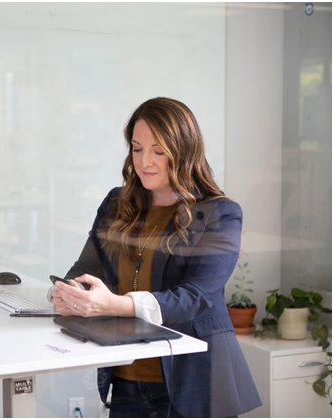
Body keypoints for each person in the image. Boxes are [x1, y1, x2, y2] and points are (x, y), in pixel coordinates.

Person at [49, 97, 261, 418]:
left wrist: (112, 304)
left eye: (158, 151)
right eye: (137, 149)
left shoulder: (220, 213)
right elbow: (85, 270)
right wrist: (67, 294)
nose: (145, 161)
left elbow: (195, 297)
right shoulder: (116, 203)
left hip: (195, 382)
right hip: (126, 378)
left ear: (184, 151)